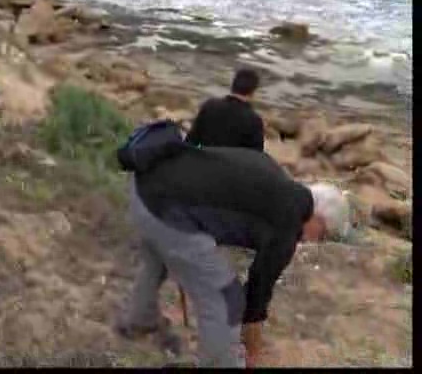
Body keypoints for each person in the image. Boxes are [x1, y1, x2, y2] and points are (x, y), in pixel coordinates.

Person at [116, 142, 350, 367]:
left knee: (159, 257)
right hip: (165, 211)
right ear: (319, 218)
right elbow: (257, 294)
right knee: (226, 298)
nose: (314, 241)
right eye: (322, 234)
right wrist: (253, 349)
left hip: (144, 186)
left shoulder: (271, 170)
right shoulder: (288, 224)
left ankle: (139, 321)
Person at [185, 68, 264, 151]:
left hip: (202, 160)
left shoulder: (210, 105)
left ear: (233, 85)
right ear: (253, 91)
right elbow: (255, 155)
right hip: (232, 163)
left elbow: (191, 140)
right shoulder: (254, 120)